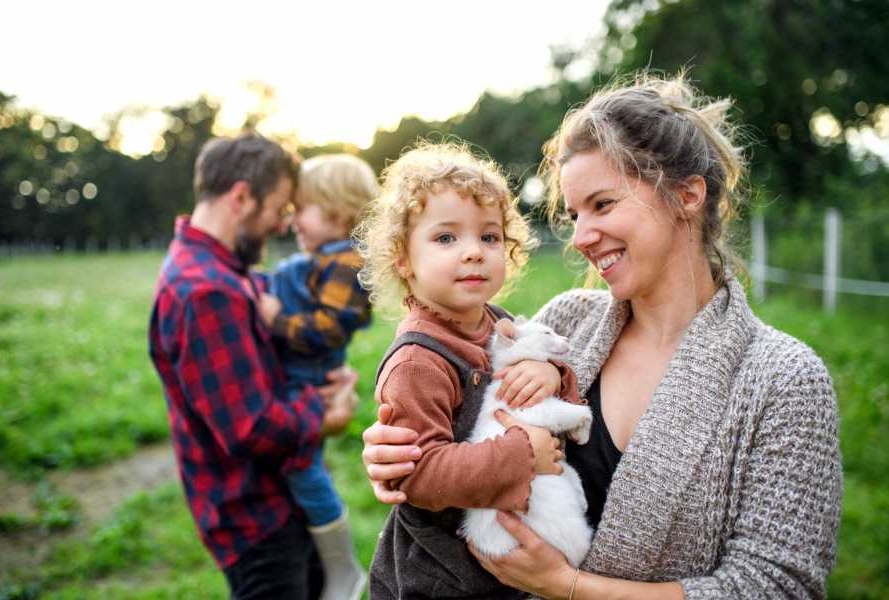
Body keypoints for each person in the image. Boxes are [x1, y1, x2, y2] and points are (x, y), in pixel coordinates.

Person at [360, 74, 843, 599]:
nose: (581, 237)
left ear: (686, 195)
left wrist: (567, 586)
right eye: (573, 214)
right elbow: (460, 430)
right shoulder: (565, 322)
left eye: (603, 204)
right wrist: (396, 457)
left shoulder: (783, 381)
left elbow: (777, 587)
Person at [353, 142, 586, 599]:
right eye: (446, 238)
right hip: (441, 579)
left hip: (498, 562)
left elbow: (535, 382)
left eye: (489, 236)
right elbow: (419, 474)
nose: (474, 252)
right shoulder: (417, 362)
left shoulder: (498, 323)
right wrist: (523, 454)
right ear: (402, 258)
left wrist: (553, 376)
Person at [148, 134, 357, 599]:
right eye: (279, 209)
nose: (283, 224)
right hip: (257, 520)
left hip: (273, 503)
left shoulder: (221, 269)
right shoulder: (207, 291)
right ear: (242, 197)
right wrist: (328, 411)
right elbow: (251, 427)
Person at [255, 154, 379, 600]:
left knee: (305, 469)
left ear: (338, 211)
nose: (292, 221)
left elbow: (329, 327)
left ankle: (342, 567)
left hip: (309, 380)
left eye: (300, 209)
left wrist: (277, 320)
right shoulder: (321, 260)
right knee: (301, 467)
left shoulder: (345, 264)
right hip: (298, 375)